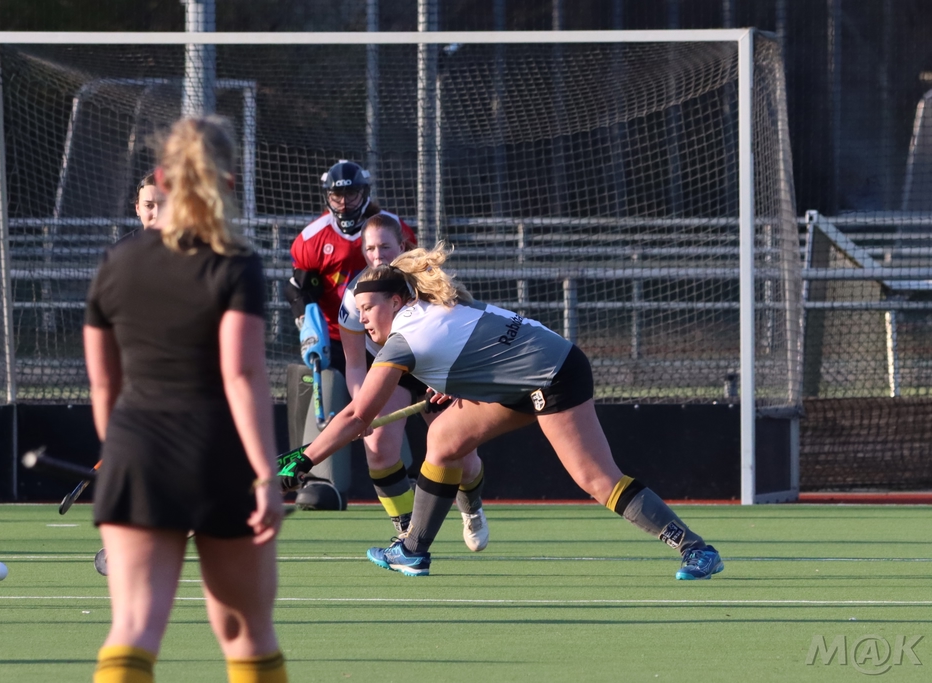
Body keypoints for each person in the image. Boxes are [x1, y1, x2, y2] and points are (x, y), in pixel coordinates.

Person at [278, 244, 724, 581]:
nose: (363, 319)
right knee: (444, 439)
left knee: (597, 479)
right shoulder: (431, 308)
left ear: (396, 302)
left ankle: (696, 550)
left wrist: (305, 458)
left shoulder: (403, 341)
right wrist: (450, 383)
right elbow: (475, 349)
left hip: (554, 374)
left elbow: (358, 417)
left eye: (369, 308)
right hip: (527, 375)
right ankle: (413, 551)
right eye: (358, 311)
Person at [84, 116, 288, 682]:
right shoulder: (235, 261)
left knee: (133, 629)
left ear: (161, 177)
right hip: (216, 455)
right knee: (248, 633)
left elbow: (104, 385)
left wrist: (117, 454)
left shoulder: (117, 262)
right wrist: (265, 476)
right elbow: (242, 375)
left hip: (136, 453)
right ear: (229, 181)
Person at [339, 214, 488, 550]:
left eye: (385, 247)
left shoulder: (427, 283)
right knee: (378, 449)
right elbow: (355, 364)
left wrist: (452, 379)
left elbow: (459, 333)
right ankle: (408, 532)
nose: (378, 255)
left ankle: (472, 508)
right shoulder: (353, 298)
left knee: (464, 459)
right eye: (370, 249)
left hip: (435, 369)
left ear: (402, 246)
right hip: (389, 369)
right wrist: (363, 408)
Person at [284, 160, 416, 505]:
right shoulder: (313, 241)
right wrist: (306, 322)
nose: (344, 202)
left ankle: (415, 478)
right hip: (340, 337)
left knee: (451, 444)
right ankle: (318, 478)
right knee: (337, 397)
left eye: (351, 194)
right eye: (370, 249)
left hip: (400, 343)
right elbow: (297, 288)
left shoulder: (392, 229)